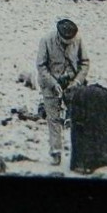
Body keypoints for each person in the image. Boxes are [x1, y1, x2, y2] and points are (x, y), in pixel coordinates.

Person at [35, 17, 89, 167]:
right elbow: (41, 66)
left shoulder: (78, 40)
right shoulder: (46, 40)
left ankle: (79, 155)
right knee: (53, 118)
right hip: (50, 82)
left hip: (73, 83)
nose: (68, 43)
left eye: (70, 41)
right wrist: (53, 83)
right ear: (58, 35)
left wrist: (77, 82)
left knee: (78, 118)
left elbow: (85, 63)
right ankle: (55, 153)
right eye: (65, 41)